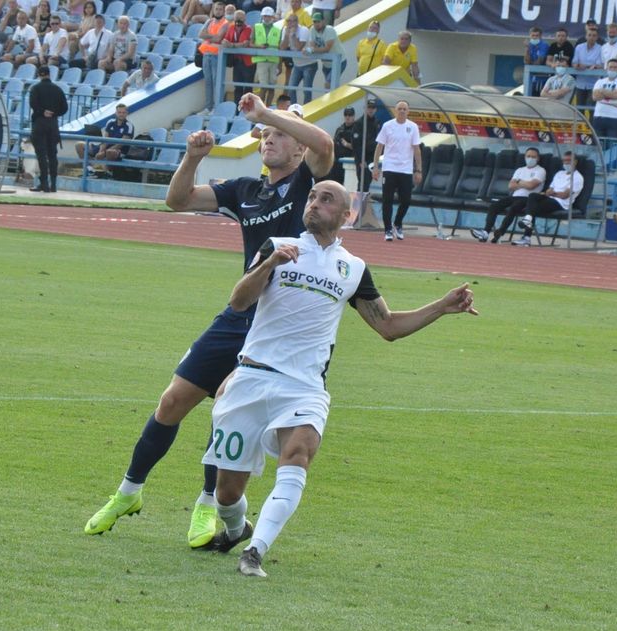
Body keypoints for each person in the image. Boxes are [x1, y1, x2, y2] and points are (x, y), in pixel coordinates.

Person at [83, 92, 335, 549]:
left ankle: (204, 506)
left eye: (280, 135)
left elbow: (323, 144)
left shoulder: (307, 187)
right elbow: (176, 200)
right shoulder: (245, 190)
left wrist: (265, 115)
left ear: (297, 147)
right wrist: (192, 157)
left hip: (278, 326)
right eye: (265, 135)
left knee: (225, 408)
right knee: (172, 402)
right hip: (240, 311)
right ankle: (128, 493)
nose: (269, 139)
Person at [204, 180, 478, 577]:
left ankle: (255, 552)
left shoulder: (353, 267)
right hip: (252, 376)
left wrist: (442, 306)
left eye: (326, 199)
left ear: (347, 216)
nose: (314, 204)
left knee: (298, 453)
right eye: (312, 197)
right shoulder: (277, 245)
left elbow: (387, 325)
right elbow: (238, 301)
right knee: (228, 492)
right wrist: (269, 264)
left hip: (305, 385)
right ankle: (236, 529)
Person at [469, 147, 545, 244]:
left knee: (513, 208)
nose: (530, 158)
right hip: (514, 196)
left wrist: (519, 182)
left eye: (533, 157)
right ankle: (485, 232)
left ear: (538, 158)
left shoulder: (541, 171)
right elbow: (511, 186)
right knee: (494, 206)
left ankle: (501, 231)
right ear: (525, 157)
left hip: (528, 199)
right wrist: (523, 184)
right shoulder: (520, 170)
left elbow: (531, 186)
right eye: (528, 156)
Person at [371, 99, 422, 241]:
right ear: (395, 110)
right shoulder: (388, 126)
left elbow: (417, 149)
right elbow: (379, 147)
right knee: (387, 200)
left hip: (406, 170)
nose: (402, 111)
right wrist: (376, 167)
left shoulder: (413, 127)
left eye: (404, 109)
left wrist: (419, 170)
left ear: (408, 111)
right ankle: (387, 229)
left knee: (406, 200)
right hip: (389, 168)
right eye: (399, 108)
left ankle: (397, 223)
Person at [510, 151, 584, 247]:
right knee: (532, 196)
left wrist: (552, 193)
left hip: (561, 203)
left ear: (575, 162)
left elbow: (565, 195)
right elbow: (549, 189)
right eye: (564, 161)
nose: (566, 163)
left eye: (569, 161)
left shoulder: (578, 177)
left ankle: (526, 237)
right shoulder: (559, 173)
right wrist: (551, 193)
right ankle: (527, 221)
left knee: (533, 208)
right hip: (550, 198)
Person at [28, 65, 67, 192]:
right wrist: (54, 113)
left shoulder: (35, 88)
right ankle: (54, 184)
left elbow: (33, 104)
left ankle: (44, 183)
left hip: (39, 123)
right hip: (53, 124)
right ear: (50, 74)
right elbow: (64, 108)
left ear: (39, 75)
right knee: (52, 155)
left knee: (41, 155)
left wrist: (42, 111)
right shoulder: (58, 90)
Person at [198, 2, 229, 113]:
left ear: (223, 11)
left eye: (220, 9)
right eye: (216, 9)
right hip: (206, 54)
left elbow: (218, 38)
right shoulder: (209, 21)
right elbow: (200, 34)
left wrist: (208, 38)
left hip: (217, 55)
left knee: (217, 82)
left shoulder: (225, 23)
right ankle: (208, 107)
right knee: (208, 82)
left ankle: (216, 107)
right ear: (213, 9)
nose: (218, 11)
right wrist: (212, 38)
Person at [250, 7, 281, 105]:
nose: (267, 18)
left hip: (274, 60)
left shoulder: (278, 29)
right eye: (265, 16)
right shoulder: (256, 26)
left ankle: (267, 108)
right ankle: (260, 108)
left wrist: (280, 64)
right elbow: (250, 43)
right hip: (262, 59)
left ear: (272, 17)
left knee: (272, 86)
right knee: (263, 86)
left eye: (269, 16)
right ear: (262, 16)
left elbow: (280, 48)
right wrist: (259, 46)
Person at [223, 9, 254, 105]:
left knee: (248, 88)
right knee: (237, 86)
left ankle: (248, 108)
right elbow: (224, 42)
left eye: (240, 18)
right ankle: (237, 108)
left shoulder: (248, 28)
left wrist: (231, 45)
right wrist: (235, 45)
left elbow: (244, 44)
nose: (238, 20)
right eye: (237, 17)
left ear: (244, 19)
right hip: (237, 62)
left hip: (248, 62)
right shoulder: (231, 27)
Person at [591, 58, 617, 142]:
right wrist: (611, 93)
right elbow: (595, 97)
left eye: (615, 67)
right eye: (611, 67)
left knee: (612, 145)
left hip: (613, 117)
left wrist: (602, 91)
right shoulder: (600, 81)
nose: (613, 69)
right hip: (598, 116)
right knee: (598, 145)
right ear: (606, 68)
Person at [308, 11, 344, 92]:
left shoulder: (330, 30)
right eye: (314, 21)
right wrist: (313, 49)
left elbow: (327, 49)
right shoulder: (312, 30)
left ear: (323, 21)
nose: (316, 24)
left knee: (328, 85)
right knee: (331, 87)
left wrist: (313, 49)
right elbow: (312, 46)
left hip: (339, 62)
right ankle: (335, 102)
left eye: (318, 21)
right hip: (326, 64)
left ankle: (332, 103)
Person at [281, 13, 312, 105]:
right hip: (297, 64)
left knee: (306, 89)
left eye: (293, 21)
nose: (290, 23)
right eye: (288, 21)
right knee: (291, 88)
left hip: (309, 64)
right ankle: (294, 109)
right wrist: (287, 36)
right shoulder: (285, 30)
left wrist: (293, 35)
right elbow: (282, 47)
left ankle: (307, 109)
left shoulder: (304, 30)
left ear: (297, 22)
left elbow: (299, 48)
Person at [351, 98, 381, 192]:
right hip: (362, 157)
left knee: (367, 182)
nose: (371, 110)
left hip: (373, 157)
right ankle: (358, 205)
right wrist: (361, 159)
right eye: (369, 107)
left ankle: (363, 203)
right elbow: (356, 143)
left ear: (375, 109)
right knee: (363, 182)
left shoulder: (377, 122)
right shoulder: (359, 123)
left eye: (373, 108)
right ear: (365, 108)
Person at [571, 27, 603, 106]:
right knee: (579, 108)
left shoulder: (600, 48)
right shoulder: (579, 47)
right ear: (586, 36)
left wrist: (584, 66)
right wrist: (578, 66)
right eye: (589, 35)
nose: (591, 37)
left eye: (594, 35)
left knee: (591, 108)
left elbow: (598, 65)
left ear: (597, 37)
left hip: (594, 84)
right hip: (580, 83)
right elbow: (574, 63)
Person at [325, 106, 353, 184]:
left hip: (348, 163)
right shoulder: (340, 129)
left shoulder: (356, 129)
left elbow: (360, 147)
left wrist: (347, 145)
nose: (347, 117)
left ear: (353, 116)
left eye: (350, 115)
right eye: (346, 115)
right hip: (336, 163)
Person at [524, 26, 549, 95]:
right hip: (532, 78)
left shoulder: (544, 45)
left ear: (541, 36)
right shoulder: (529, 45)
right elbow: (526, 62)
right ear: (530, 36)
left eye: (537, 36)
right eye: (533, 35)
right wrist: (527, 49)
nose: (534, 37)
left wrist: (531, 63)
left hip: (543, 78)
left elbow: (539, 62)